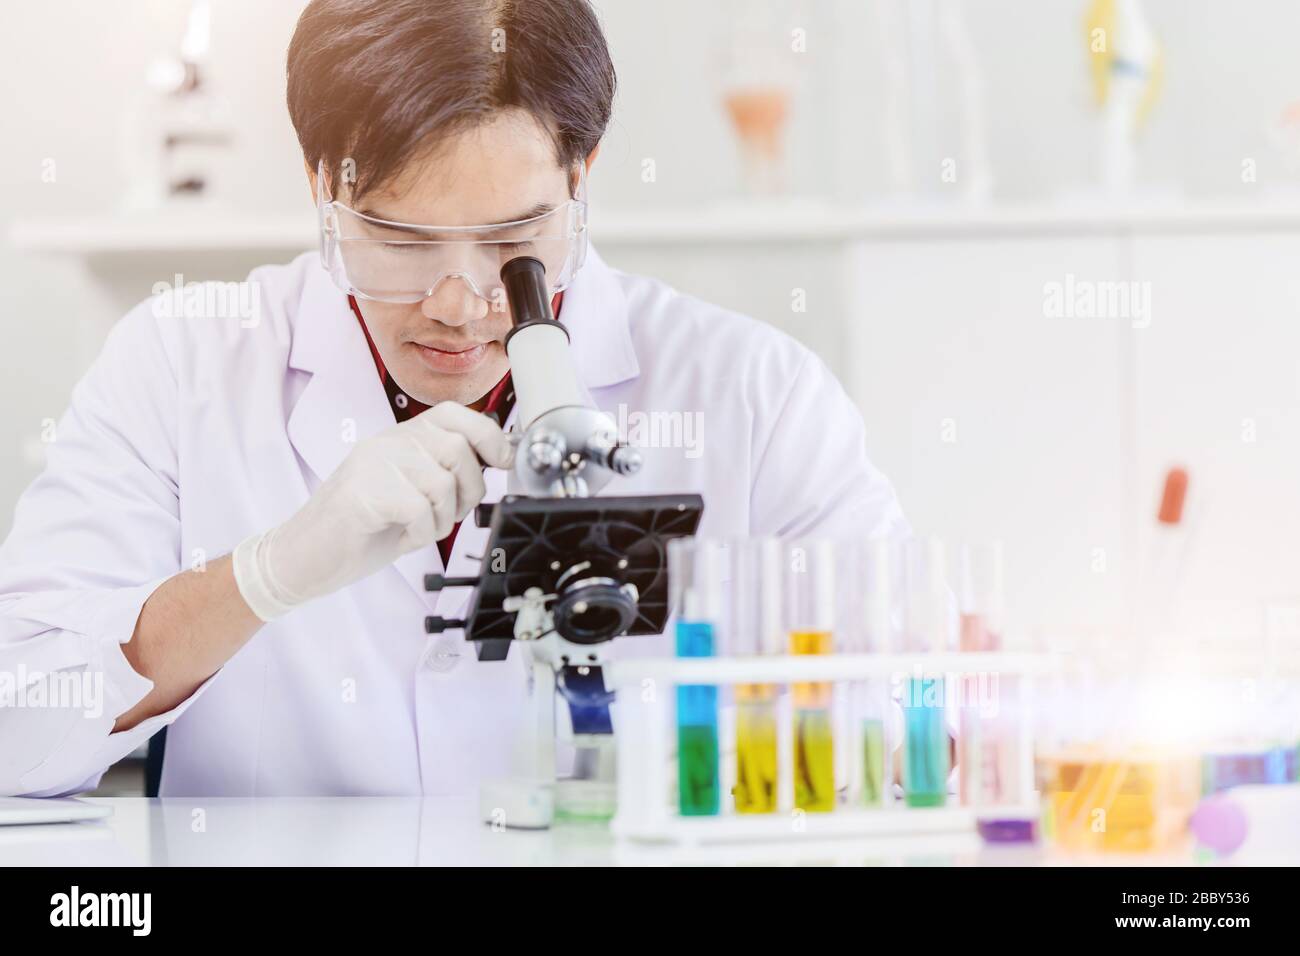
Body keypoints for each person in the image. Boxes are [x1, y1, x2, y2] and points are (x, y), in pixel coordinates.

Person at [0, 0, 907, 797]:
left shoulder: (754, 393)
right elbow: (19, 730)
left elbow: (908, 723)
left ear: (580, 180)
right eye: (398, 238)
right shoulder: (180, 363)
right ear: (321, 184)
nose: (457, 302)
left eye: (512, 237)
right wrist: (266, 574)